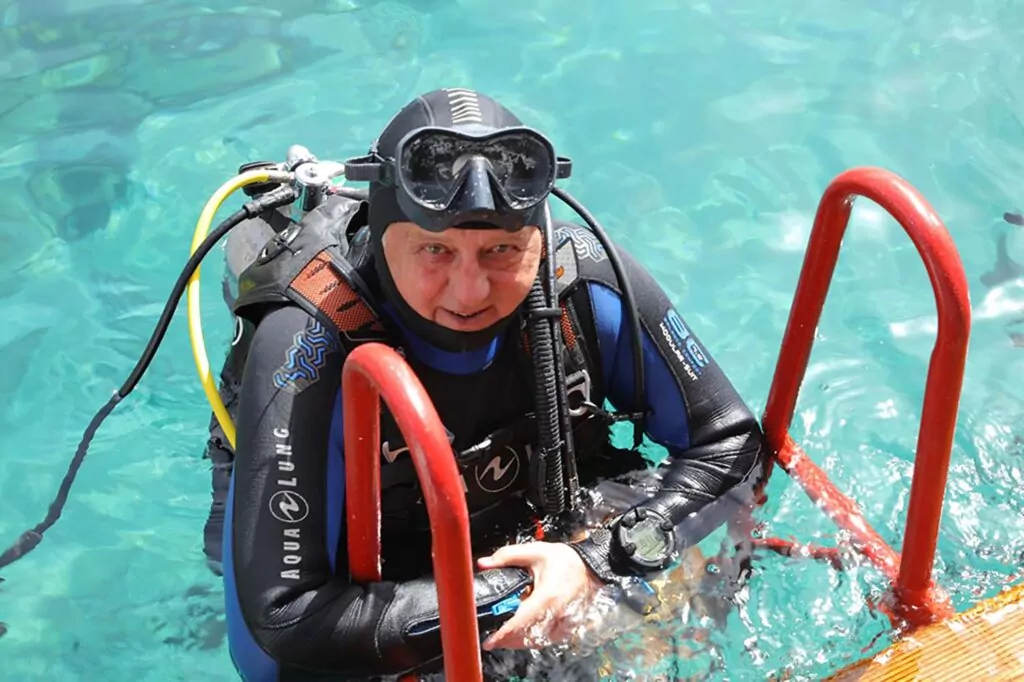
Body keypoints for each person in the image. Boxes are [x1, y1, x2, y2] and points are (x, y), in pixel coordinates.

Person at [200, 87, 768, 681]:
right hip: (366, 571)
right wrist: (525, 591)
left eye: (501, 249)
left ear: (538, 235)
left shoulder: (584, 279)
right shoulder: (307, 342)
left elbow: (730, 444)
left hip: (542, 527)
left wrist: (598, 562)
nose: (469, 291)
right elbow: (281, 633)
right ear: (386, 229)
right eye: (434, 250)